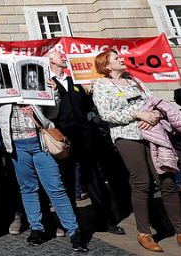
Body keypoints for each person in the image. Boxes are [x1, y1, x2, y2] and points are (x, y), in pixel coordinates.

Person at [92, 50, 181, 252]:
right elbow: (106, 114)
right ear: (107, 65)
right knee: (142, 183)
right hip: (127, 136)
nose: (122, 59)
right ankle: (144, 233)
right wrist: (138, 114)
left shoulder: (135, 81)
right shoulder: (101, 86)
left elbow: (155, 102)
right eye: (116, 58)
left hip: (154, 134)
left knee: (167, 180)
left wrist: (154, 115)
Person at [0, 73, 88, 252]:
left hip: (41, 145)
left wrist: (55, 94)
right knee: (28, 188)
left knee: (56, 188)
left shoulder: (34, 87)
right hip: (17, 147)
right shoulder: (1, 91)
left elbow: (53, 113)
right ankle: (36, 227)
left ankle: (74, 231)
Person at [47, 51, 125, 235]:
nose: (64, 57)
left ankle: (105, 220)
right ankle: (72, 224)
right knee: (67, 180)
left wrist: (93, 119)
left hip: (86, 135)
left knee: (93, 178)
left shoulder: (75, 80)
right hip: (64, 137)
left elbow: (89, 105)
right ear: (51, 61)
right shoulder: (47, 82)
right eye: (60, 56)